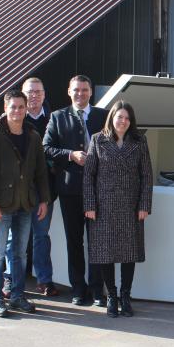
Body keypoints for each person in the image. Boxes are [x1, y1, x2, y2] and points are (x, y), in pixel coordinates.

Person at [0, 90, 50, 317]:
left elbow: (40, 172)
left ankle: (18, 296)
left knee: (20, 253)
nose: (17, 111)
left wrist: (44, 199)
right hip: (2, 206)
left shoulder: (33, 136)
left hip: (25, 205)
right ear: (5, 109)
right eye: (13, 107)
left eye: (21, 107)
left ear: (26, 109)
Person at [83, 100, 153, 318]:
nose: (122, 121)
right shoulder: (97, 139)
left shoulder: (139, 141)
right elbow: (88, 176)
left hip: (131, 207)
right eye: (119, 116)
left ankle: (125, 296)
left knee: (128, 253)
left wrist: (144, 206)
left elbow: (147, 176)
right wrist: (90, 205)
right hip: (103, 207)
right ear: (112, 117)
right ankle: (111, 296)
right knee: (106, 254)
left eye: (127, 118)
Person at [43, 75, 107, 306]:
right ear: (69, 92)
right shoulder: (57, 117)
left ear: (91, 92)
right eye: (76, 90)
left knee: (98, 242)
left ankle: (98, 291)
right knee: (74, 242)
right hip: (70, 190)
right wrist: (71, 155)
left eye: (84, 90)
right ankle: (79, 290)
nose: (80, 94)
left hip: (98, 191)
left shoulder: (103, 115)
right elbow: (46, 148)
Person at [1, 77, 59, 297]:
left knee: (41, 236)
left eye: (38, 92)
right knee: (12, 238)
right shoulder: (10, 121)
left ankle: (44, 280)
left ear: (44, 95)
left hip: (44, 191)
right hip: (16, 192)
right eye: (29, 92)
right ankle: (10, 279)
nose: (34, 96)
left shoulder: (55, 119)